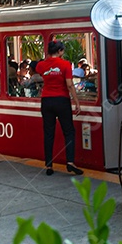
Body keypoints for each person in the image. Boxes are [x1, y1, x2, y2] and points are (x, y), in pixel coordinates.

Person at [34, 40, 82, 176]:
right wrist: (77, 102)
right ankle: (70, 162)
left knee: (49, 133)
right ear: (60, 51)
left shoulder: (42, 65)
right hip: (62, 101)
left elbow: (38, 70)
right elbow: (69, 85)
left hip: (47, 101)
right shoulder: (65, 64)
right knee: (69, 131)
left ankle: (49, 165)